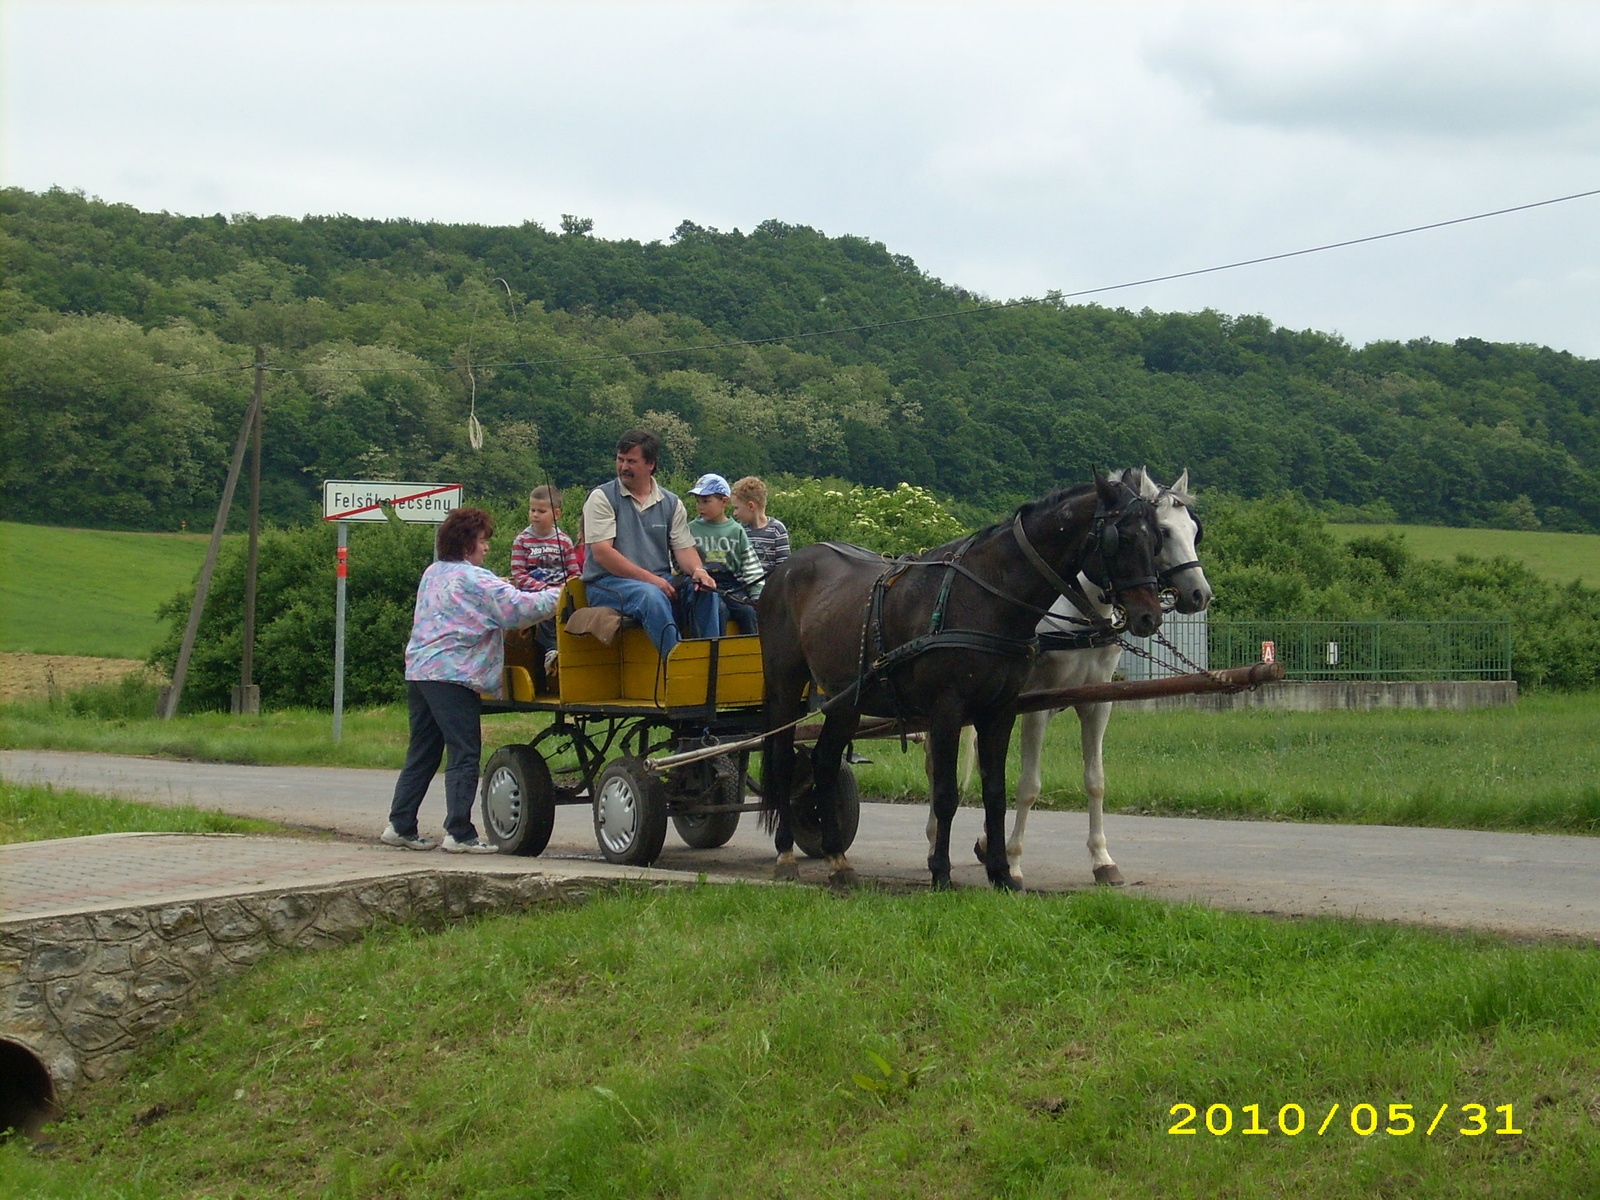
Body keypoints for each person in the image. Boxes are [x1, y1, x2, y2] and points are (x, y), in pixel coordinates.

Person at [382, 507, 557, 853]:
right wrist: (564, 592)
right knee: (464, 752)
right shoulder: (474, 579)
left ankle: (400, 825)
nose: (487, 548)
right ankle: (459, 833)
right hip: (454, 675)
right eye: (482, 541)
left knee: (423, 751)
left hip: (420, 671)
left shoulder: (433, 573)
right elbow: (518, 609)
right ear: (468, 544)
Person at [581, 429, 719, 656]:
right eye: (620, 459)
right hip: (606, 583)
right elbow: (602, 554)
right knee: (650, 595)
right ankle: (677, 664)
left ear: (650, 464)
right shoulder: (602, 497)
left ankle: (711, 664)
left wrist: (698, 571)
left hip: (656, 579)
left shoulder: (671, 502)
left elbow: (684, 548)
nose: (623, 467)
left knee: (705, 590)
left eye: (631, 461)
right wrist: (651, 580)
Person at [509, 484, 582, 663]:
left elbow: (573, 571)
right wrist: (542, 588)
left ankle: (572, 650)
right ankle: (552, 649)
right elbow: (519, 573)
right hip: (535, 592)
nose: (535, 514)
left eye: (541, 511)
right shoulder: (522, 540)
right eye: (532, 510)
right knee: (544, 611)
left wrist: (567, 586)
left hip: (560, 591)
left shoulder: (563, 541)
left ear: (556, 514)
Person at [687, 473, 763, 635]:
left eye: (706, 501)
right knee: (718, 611)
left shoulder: (736, 530)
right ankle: (715, 656)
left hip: (730, 583)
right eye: (698, 502)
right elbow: (681, 558)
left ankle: (753, 654)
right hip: (704, 584)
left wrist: (757, 593)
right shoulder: (691, 529)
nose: (700, 506)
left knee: (748, 612)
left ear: (724, 502)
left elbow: (750, 564)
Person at [731, 476, 790, 577]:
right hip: (743, 588)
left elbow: (783, 568)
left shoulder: (777, 529)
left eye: (736, 508)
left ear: (751, 506)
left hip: (770, 589)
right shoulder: (739, 531)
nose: (734, 513)